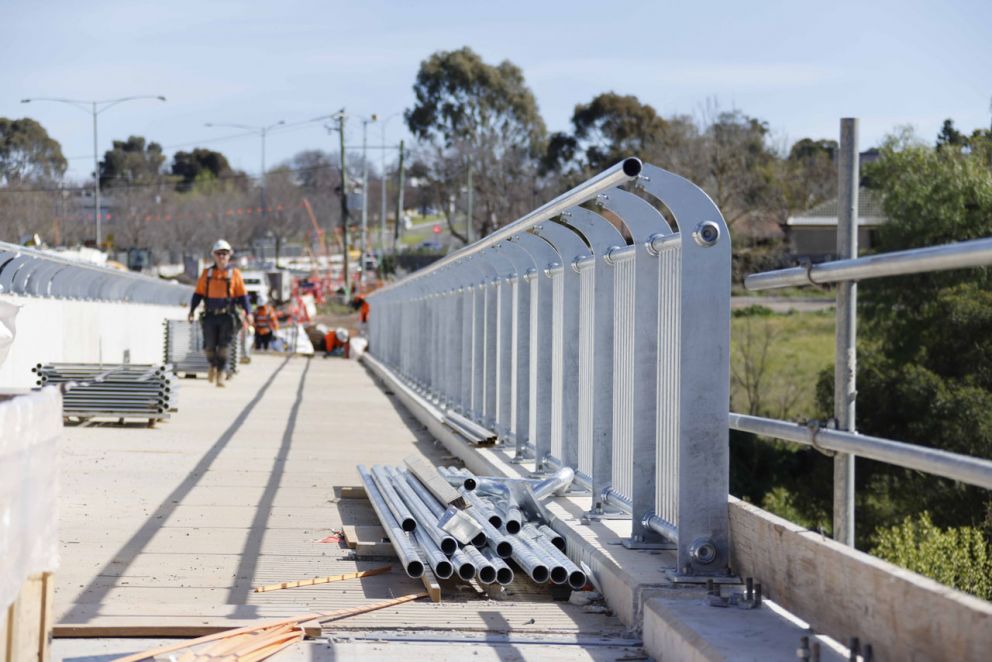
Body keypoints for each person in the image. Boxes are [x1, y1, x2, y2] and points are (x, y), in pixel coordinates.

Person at [188, 240, 252, 387]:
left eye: (225, 253)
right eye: (219, 254)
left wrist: (248, 312)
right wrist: (191, 310)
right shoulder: (207, 273)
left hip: (227, 316)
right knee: (209, 346)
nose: (222, 257)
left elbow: (243, 296)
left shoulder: (235, 274)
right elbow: (198, 294)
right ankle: (212, 365)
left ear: (229, 256)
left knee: (224, 346)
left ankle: (221, 373)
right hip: (210, 315)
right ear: (213, 256)